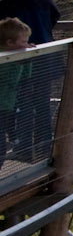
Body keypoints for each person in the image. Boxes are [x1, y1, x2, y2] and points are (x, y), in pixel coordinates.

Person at [0, 0, 60, 162]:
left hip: (19, 60)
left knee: (23, 103)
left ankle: (24, 148)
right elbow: (55, 17)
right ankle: (45, 145)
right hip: (46, 55)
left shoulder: (6, 4)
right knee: (42, 102)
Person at [0, 17, 32, 166]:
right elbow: (11, 80)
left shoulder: (14, 57)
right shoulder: (4, 60)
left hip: (7, 105)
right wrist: (21, 61)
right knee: (1, 146)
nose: (26, 45)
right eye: (23, 42)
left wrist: (27, 59)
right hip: (2, 105)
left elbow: (25, 76)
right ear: (10, 43)